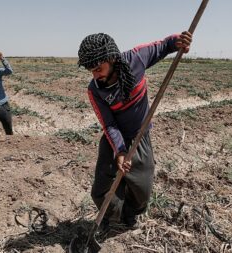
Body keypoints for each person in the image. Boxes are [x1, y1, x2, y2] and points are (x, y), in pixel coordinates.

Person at [78, 32, 192, 232]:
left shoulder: (136, 58)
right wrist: (120, 151)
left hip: (140, 137)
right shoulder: (95, 90)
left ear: (112, 58)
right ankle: (111, 217)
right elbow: (109, 124)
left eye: (98, 69)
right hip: (114, 139)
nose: (95, 76)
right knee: (102, 187)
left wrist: (179, 41)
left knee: (142, 189)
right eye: (91, 71)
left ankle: (129, 215)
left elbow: (163, 45)